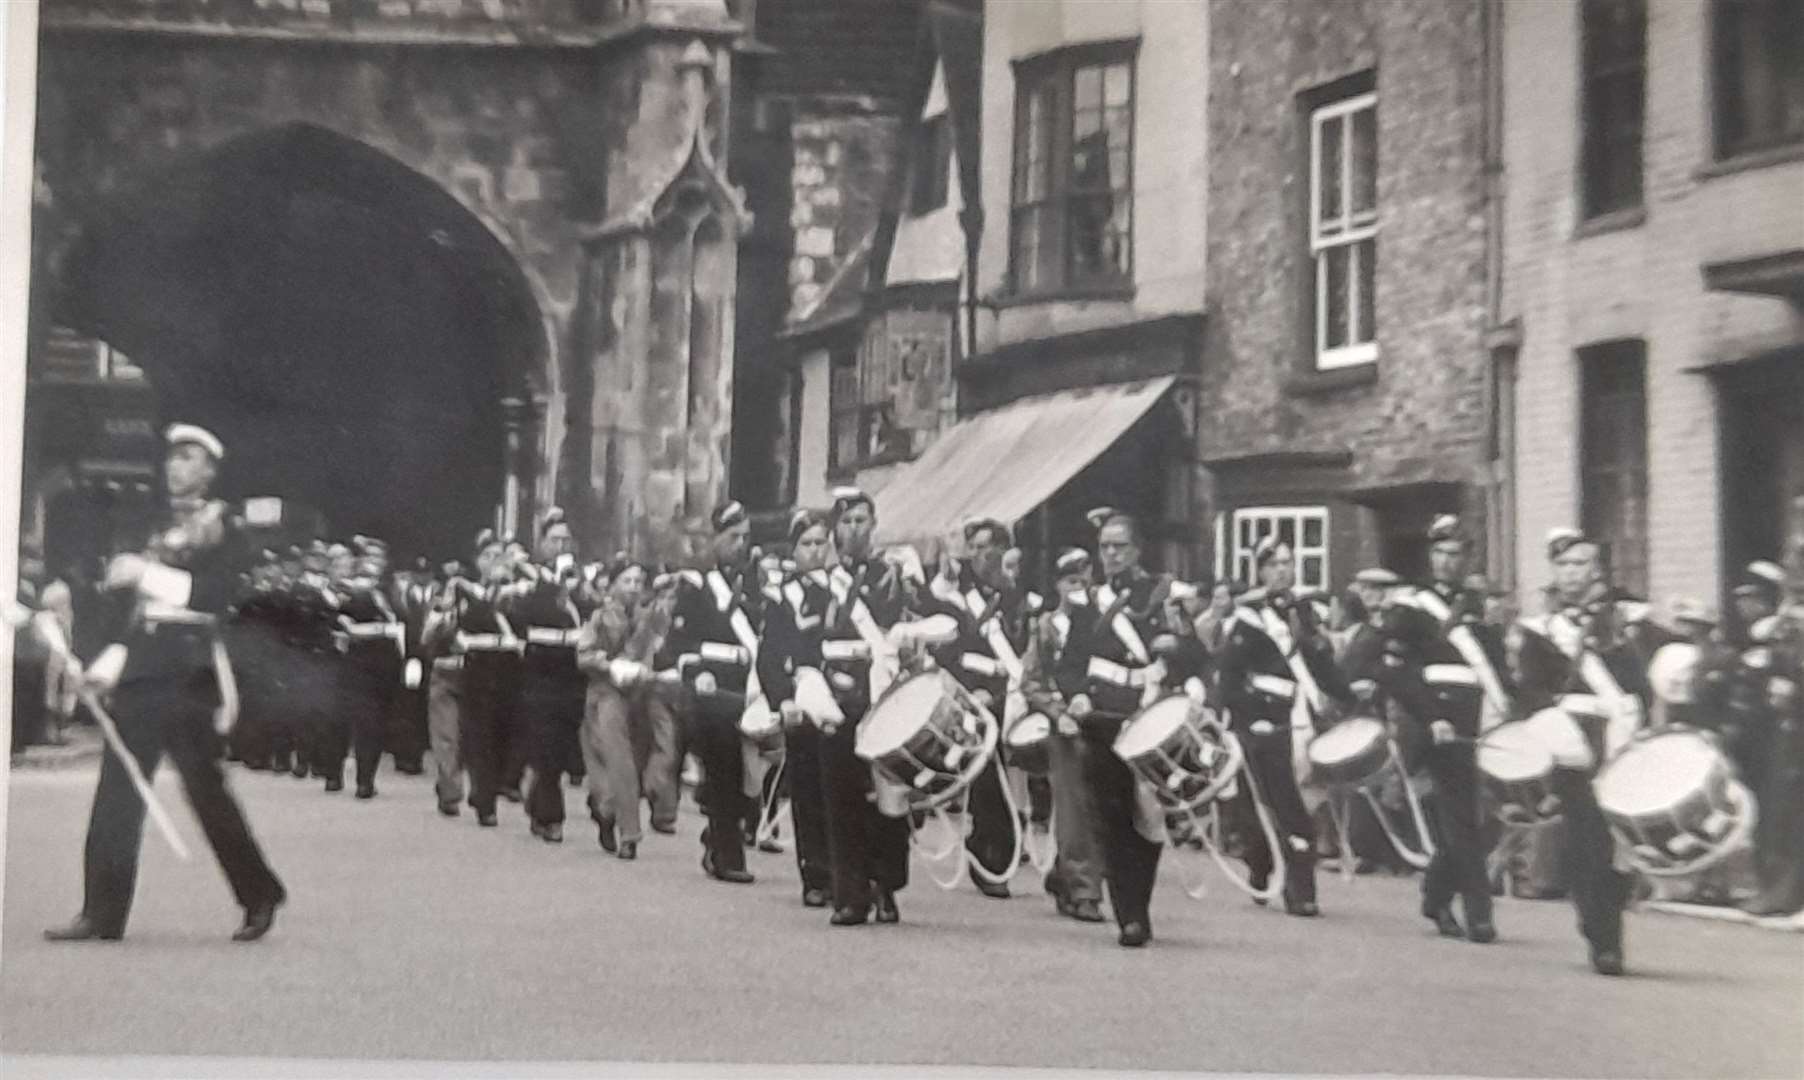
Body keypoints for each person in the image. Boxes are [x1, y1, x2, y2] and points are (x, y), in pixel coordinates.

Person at [45, 423, 286, 943]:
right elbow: (131, 613)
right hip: (142, 667)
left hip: (189, 671)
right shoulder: (151, 528)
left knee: (206, 793)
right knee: (117, 792)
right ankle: (101, 912)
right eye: (173, 457)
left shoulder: (228, 528)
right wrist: (106, 663)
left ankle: (259, 892)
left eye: (189, 457)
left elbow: (215, 597)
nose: (175, 466)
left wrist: (143, 574)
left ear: (210, 471)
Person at [1510, 528, 1659, 975]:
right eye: (1564, 565)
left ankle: (1606, 911)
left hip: (1621, 734)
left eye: (1580, 564)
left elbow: (1648, 680)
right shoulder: (1538, 631)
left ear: (1597, 569)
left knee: (1623, 839)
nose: (1572, 573)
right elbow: (1529, 690)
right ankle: (1603, 936)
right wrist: (1548, 728)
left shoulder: (1629, 619)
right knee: (1587, 837)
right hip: (1572, 739)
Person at [1053, 510, 1201, 947]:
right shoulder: (1089, 602)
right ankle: (1130, 914)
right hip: (1104, 720)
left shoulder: (1164, 595)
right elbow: (1070, 665)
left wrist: (1183, 640)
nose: (1111, 555)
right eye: (1104, 547)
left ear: (1137, 549)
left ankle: (1140, 899)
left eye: (1119, 546)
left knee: (1150, 818)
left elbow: (1194, 659)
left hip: (1149, 718)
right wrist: (1076, 693)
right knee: (1112, 816)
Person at [1379, 516, 1510, 943]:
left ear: (1467, 557)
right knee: (1461, 820)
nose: (1447, 562)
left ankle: (1436, 895)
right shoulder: (1411, 606)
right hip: (1430, 722)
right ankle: (1479, 915)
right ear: (1430, 555)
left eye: (1456, 554)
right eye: (1440, 553)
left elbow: (1496, 668)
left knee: (1480, 821)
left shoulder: (1478, 607)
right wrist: (1431, 716)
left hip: (1473, 722)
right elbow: (1399, 672)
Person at [1216, 534, 1356, 917]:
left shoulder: (1304, 613)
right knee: (1271, 807)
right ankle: (1274, 875)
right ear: (1260, 570)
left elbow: (1319, 664)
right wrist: (1244, 719)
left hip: (1299, 718)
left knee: (1295, 805)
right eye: (1274, 564)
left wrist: (1348, 696)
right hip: (1263, 722)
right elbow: (1229, 677)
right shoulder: (1247, 617)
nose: (1282, 571)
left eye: (1287, 563)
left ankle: (1294, 884)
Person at [916, 518, 1043, 899]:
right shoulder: (955, 595)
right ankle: (991, 854)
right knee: (987, 775)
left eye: (985, 547)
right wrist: (976, 691)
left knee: (1013, 772)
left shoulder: (1017, 598)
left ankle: (996, 847)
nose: (977, 554)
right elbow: (944, 648)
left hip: (1013, 693)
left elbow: (1027, 649)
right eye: (973, 547)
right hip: (973, 695)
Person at [805, 489, 915, 924]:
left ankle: (886, 884)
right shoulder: (817, 581)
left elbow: (914, 622)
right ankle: (849, 892)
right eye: (846, 522)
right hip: (837, 695)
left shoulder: (893, 575)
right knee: (841, 795)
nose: (854, 529)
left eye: (861, 521)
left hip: (881, 690)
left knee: (889, 795)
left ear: (874, 526)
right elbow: (809, 640)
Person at [654, 501, 761, 885]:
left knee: (754, 780)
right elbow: (676, 644)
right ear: (715, 539)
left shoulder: (756, 582)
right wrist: (695, 674)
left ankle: (718, 836)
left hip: (749, 685)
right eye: (733, 537)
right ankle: (729, 855)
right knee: (723, 772)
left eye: (745, 537)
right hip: (711, 687)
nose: (741, 544)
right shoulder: (697, 585)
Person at [757, 509, 841, 910]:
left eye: (820, 542)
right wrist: (783, 699)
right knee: (807, 787)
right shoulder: (781, 597)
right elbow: (770, 656)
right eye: (806, 544)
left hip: (842, 696)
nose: (814, 551)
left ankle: (849, 870)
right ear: (794, 550)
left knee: (843, 787)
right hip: (801, 697)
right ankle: (816, 874)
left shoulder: (844, 589)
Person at [1020, 547, 1107, 923]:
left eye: (1085, 580)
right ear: (1058, 585)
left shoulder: (1102, 623)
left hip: (1099, 719)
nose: (1079, 588)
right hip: (1063, 725)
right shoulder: (1044, 627)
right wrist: (1056, 712)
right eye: (1072, 580)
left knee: (1099, 806)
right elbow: (1031, 681)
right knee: (1073, 807)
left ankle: (1063, 874)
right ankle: (1086, 889)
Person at [505, 508, 590, 843]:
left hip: (571, 670)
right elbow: (517, 614)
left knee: (563, 742)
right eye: (554, 540)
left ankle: (537, 793)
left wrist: (577, 588)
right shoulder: (528, 578)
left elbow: (592, 611)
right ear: (541, 543)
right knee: (546, 743)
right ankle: (551, 815)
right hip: (539, 669)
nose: (560, 546)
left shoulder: (579, 580)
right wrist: (548, 586)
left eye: (565, 540)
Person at [575, 561, 664, 860]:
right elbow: (583, 655)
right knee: (619, 761)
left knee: (640, 759)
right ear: (612, 584)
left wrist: (645, 669)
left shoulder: (648, 617)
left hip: (640, 694)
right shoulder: (600, 617)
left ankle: (605, 810)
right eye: (626, 580)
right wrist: (609, 664)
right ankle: (630, 834)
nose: (633, 587)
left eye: (638, 581)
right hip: (606, 694)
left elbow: (655, 650)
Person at [332, 539, 404, 799]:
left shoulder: (393, 592)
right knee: (363, 720)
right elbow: (338, 619)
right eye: (370, 558)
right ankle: (355, 777)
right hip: (359, 661)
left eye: (379, 558)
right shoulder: (352, 591)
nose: (374, 563)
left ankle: (367, 776)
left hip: (386, 663)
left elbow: (404, 623)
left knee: (376, 723)